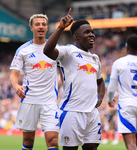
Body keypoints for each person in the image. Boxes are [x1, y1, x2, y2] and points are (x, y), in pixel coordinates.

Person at [44, 9, 105, 150]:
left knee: (92, 148)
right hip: (72, 112)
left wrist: (100, 98)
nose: (91, 35)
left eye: (92, 32)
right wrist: (61, 28)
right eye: (87, 32)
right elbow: (47, 51)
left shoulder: (95, 58)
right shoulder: (68, 51)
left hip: (92, 114)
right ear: (76, 37)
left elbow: (100, 81)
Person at [10, 14, 59, 150]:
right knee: (28, 140)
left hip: (50, 101)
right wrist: (16, 86)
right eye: (37, 24)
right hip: (29, 99)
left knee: (53, 140)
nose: (41, 26)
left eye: (43, 24)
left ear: (47, 28)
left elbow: (65, 72)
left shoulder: (56, 48)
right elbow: (13, 75)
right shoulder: (23, 50)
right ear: (31, 27)